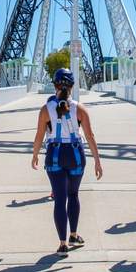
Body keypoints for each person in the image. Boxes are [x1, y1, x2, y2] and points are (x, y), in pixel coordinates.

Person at [31, 68, 103, 254]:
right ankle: (74, 234)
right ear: (72, 86)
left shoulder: (45, 109)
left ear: (54, 85)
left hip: (54, 155)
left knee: (59, 199)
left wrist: (35, 155)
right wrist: (97, 160)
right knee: (73, 195)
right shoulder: (79, 108)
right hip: (75, 155)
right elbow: (89, 135)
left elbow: (39, 135)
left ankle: (62, 243)